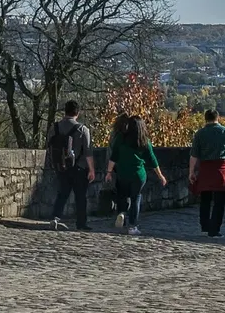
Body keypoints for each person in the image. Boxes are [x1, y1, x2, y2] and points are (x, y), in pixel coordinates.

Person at [104, 114, 165, 236]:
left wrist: (109, 172)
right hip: (138, 174)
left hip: (122, 172)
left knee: (122, 194)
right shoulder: (144, 141)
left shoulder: (121, 138)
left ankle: (122, 212)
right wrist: (160, 176)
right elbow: (152, 160)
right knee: (135, 198)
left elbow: (113, 156)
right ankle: (132, 226)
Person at [189, 109, 225, 238]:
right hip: (222, 169)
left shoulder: (200, 134)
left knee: (205, 198)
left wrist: (191, 172)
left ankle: (205, 226)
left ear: (205, 118)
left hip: (206, 169)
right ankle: (214, 230)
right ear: (217, 118)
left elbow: (194, 155)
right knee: (219, 201)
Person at [46, 100, 95, 230]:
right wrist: (91, 170)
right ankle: (81, 223)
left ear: (65, 112)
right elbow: (88, 152)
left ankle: (55, 217)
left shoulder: (54, 127)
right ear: (77, 113)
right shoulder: (82, 129)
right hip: (79, 167)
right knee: (80, 196)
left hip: (61, 166)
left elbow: (49, 146)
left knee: (62, 193)